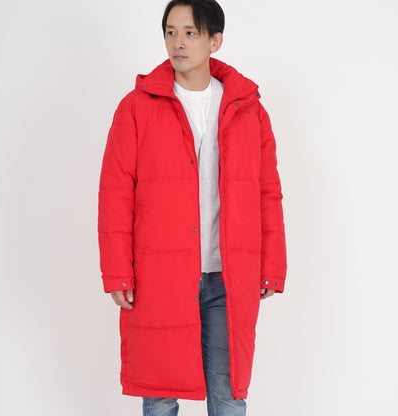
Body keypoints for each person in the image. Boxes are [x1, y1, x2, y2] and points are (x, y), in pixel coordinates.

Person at [97, 0, 287, 415]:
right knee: (159, 393)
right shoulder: (137, 107)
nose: (177, 43)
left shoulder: (248, 109)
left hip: (227, 276)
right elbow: (115, 193)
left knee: (228, 392)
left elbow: (267, 193)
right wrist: (116, 271)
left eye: (190, 32)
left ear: (215, 41)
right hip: (157, 275)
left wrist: (272, 265)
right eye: (170, 32)